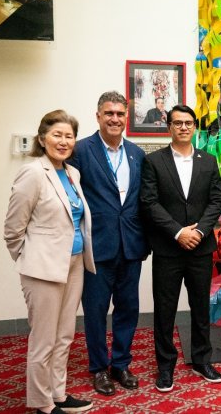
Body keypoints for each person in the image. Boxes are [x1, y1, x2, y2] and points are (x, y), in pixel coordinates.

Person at [4, 110, 94, 414]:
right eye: (57, 134)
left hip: (74, 263)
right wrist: (29, 260)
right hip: (42, 270)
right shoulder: (32, 173)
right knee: (43, 340)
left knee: (65, 335)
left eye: (69, 136)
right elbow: (13, 229)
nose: (64, 141)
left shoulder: (72, 173)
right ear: (42, 138)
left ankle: (58, 393)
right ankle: (42, 403)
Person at [68, 91, 148, 395]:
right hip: (97, 247)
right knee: (96, 311)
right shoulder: (80, 151)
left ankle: (121, 364)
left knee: (128, 309)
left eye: (119, 114)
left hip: (130, 246)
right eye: (109, 113)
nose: (115, 119)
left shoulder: (136, 154)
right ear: (98, 116)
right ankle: (99, 368)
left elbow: (139, 200)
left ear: (126, 117)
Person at [140, 105, 221, 391]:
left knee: (201, 308)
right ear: (169, 127)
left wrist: (199, 231)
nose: (184, 127)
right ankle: (165, 367)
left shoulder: (209, 161)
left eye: (189, 123)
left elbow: (217, 200)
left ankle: (202, 360)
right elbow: (149, 203)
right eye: (178, 123)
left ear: (194, 127)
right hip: (168, 249)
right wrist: (178, 232)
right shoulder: (153, 161)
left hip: (200, 248)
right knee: (165, 311)